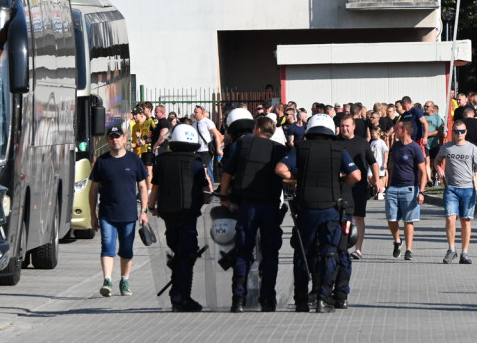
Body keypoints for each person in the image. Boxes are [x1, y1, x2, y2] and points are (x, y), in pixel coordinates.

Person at [276, 113, 360, 313]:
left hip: (306, 209)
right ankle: (324, 297)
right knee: (330, 253)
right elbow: (356, 175)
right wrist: (338, 181)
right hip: (331, 209)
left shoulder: (301, 148)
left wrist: (298, 178)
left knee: (303, 254)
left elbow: (280, 169)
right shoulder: (338, 149)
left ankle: (301, 300)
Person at [220, 115, 288, 312]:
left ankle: (238, 300)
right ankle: (268, 299)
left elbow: (226, 175)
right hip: (270, 208)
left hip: (248, 206)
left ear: (257, 128)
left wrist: (224, 197)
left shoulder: (244, 144)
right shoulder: (279, 149)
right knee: (270, 254)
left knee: (243, 252)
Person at [148, 123, 210, 312]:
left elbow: (155, 188)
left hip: (168, 216)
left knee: (179, 253)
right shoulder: (196, 162)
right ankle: (181, 298)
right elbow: (207, 190)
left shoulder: (163, 161)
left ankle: (179, 294)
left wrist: (151, 207)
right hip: (188, 214)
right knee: (187, 255)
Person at [88, 124, 150, 297]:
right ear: (108, 140)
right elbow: (93, 190)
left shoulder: (134, 160)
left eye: (118, 137)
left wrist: (144, 210)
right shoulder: (102, 161)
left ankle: (124, 280)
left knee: (127, 249)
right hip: (107, 213)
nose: (115, 140)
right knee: (107, 246)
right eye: (111, 137)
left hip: (129, 214)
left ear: (124, 139)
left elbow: (143, 186)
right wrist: (92, 215)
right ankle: (107, 280)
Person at [334, 115, 380, 304]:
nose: (344, 129)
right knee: (340, 218)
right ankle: (340, 245)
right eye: (342, 126)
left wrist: (377, 180)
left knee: (358, 217)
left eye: (347, 126)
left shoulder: (362, 142)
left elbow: (373, 162)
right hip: (340, 187)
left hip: (359, 186)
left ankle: (358, 249)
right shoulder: (334, 142)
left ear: (353, 127)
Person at [435, 121, 477, 265]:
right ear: (452, 132)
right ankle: (451, 249)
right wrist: (439, 168)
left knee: (465, 220)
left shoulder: (472, 148)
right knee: (451, 218)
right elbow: (437, 160)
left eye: (462, 131)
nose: (459, 134)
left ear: (466, 132)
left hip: (468, 189)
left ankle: (465, 253)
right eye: (457, 131)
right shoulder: (447, 147)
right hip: (451, 188)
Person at [385, 120, 427, 261]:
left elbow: (422, 171)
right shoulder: (395, 146)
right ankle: (397, 241)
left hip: (410, 188)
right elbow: (391, 167)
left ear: (404, 131)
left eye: (397, 128)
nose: (394, 131)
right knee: (391, 219)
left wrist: (421, 191)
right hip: (393, 188)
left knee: (409, 220)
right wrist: (388, 186)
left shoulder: (415, 148)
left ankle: (409, 250)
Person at [192, 105, 223, 189]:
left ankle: (211, 191)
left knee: (207, 171)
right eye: (194, 112)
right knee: (200, 171)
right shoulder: (194, 124)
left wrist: (218, 149)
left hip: (206, 151)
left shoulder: (207, 122)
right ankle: (203, 189)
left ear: (202, 113)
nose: (194, 114)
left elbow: (216, 135)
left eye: (196, 112)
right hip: (198, 151)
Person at [422, 101, 445, 185]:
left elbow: (439, 130)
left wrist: (428, 134)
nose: (425, 108)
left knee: (434, 161)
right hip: (425, 143)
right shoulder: (422, 116)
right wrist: (425, 136)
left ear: (432, 108)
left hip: (434, 143)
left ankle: (435, 178)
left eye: (427, 106)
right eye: (425, 106)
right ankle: (429, 180)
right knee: (427, 162)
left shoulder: (436, 117)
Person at [369, 124, 389, 200]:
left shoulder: (381, 142)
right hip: (373, 163)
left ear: (378, 134)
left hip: (380, 163)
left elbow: (386, 152)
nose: (372, 135)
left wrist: (385, 162)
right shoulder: (372, 142)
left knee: (379, 177)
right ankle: (380, 188)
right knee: (370, 176)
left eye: (373, 133)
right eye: (371, 133)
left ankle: (380, 192)